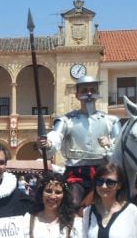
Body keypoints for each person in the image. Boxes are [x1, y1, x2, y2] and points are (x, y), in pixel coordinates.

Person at [37, 74, 121, 208]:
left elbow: (120, 145)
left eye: (92, 90)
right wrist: (48, 144)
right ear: (77, 95)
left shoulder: (111, 120)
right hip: (76, 171)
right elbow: (56, 135)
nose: (89, 93)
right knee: (72, 202)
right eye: (84, 90)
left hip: (103, 171)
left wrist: (111, 144)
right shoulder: (66, 120)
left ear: (97, 93)